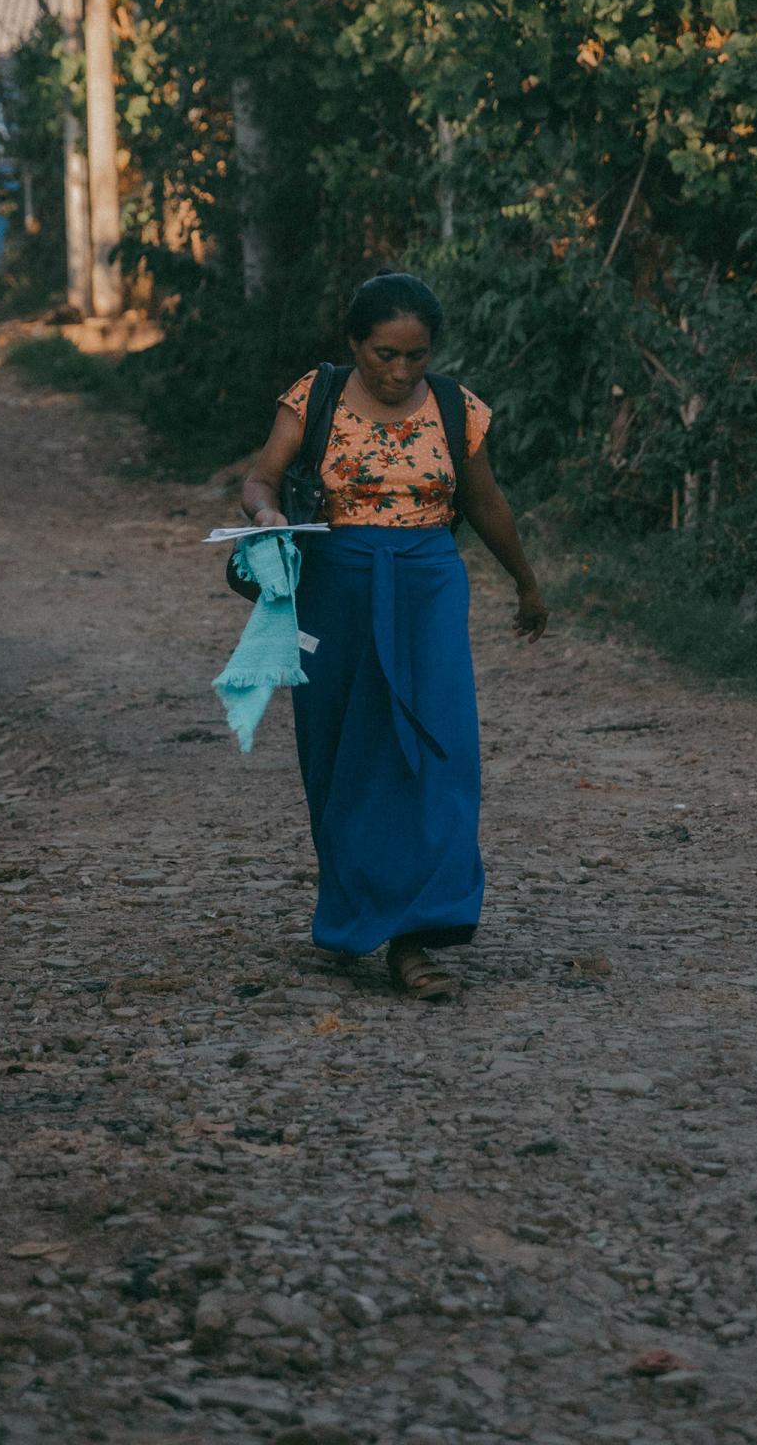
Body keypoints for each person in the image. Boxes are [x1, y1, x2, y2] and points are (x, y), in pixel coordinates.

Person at [239, 272, 547, 1003]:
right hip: (333, 586)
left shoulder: (453, 407)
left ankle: (417, 936)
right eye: (384, 354)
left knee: (438, 748)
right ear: (354, 345)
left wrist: (526, 581)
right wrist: (267, 518)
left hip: (428, 585)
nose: (401, 371)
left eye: (416, 356)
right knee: (343, 750)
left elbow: (484, 501)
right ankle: (355, 911)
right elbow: (261, 481)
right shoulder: (313, 396)